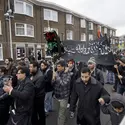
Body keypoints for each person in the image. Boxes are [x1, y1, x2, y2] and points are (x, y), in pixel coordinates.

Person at [53, 60, 73, 125]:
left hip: (64, 97)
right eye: (57, 66)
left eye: (59, 66)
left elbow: (63, 84)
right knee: (60, 113)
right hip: (57, 96)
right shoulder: (57, 72)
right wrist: (53, 78)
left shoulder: (68, 74)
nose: (57, 67)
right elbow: (53, 84)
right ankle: (64, 119)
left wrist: (57, 77)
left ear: (63, 67)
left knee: (61, 114)